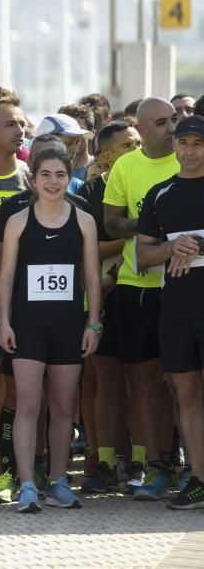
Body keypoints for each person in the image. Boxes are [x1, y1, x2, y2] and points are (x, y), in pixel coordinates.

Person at [0, 148, 101, 513]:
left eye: (60, 175)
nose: (53, 182)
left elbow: (91, 276)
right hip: (27, 325)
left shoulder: (84, 220)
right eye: (46, 175)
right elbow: (6, 276)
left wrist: (94, 323)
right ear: (33, 178)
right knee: (27, 406)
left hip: (69, 325)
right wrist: (4, 322)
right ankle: (27, 484)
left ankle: (58, 481)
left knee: (61, 409)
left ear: (68, 177)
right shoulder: (18, 221)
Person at [103, 96, 180, 497]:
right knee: (143, 382)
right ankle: (152, 466)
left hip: (181, 287)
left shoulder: (190, 162)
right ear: (143, 129)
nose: (172, 128)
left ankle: (179, 461)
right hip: (135, 286)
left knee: (184, 383)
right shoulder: (125, 166)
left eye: (174, 120)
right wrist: (146, 224)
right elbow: (112, 224)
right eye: (163, 123)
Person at [136, 114, 204, 509]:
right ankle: (198, 477)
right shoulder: (161, 193)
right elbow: (143, 253)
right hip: (176, 310)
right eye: (185, 142)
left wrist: (195, 244)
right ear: (174, 145)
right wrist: (169, 249)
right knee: (186, 392)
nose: (190, 150)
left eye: (198, 143)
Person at [76, 122, 142, 494]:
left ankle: (141, 458)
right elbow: (85, 248)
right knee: (102, 380)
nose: (136, 148)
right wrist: (131, 235)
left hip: (139, 291)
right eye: (127, 144)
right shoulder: (90, 192)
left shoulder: (149, 184)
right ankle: (102, 458)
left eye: (137, 142)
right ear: (103, 156)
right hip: (100, 295)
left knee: (142, 381)